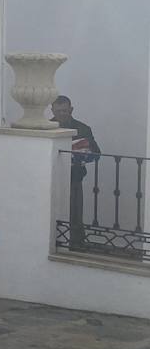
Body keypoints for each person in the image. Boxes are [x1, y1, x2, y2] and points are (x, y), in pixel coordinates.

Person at [51, 95, 100, 249]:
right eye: (58, 111)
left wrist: (83, 152)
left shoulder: (83, 128)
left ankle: (77, 244)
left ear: (71, 109)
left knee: (75, 213)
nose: (61, 114)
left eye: (65, 111)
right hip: (50, 178)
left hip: (74, 177)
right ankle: (51, 242)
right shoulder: (45, 128)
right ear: (52, 110)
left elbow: (97, 153)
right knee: (48, 213)